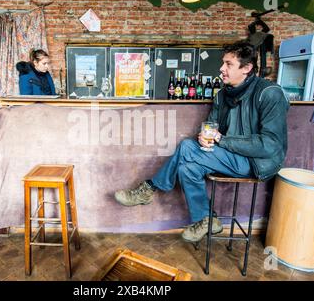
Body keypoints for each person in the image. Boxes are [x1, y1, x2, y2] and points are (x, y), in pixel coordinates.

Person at [114, 41, 289, 243]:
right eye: (223, 63)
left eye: (229, 64)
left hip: (255, 162)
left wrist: (221, 139)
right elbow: (211, 126)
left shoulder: (269, 93)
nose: (221, 69)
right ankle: (207, 220)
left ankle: (150, 188)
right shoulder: (223, 95)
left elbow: (270, 145)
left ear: (247, 68)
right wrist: (204, 136)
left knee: (187, 147)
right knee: (186, 169)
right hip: (227, 155)